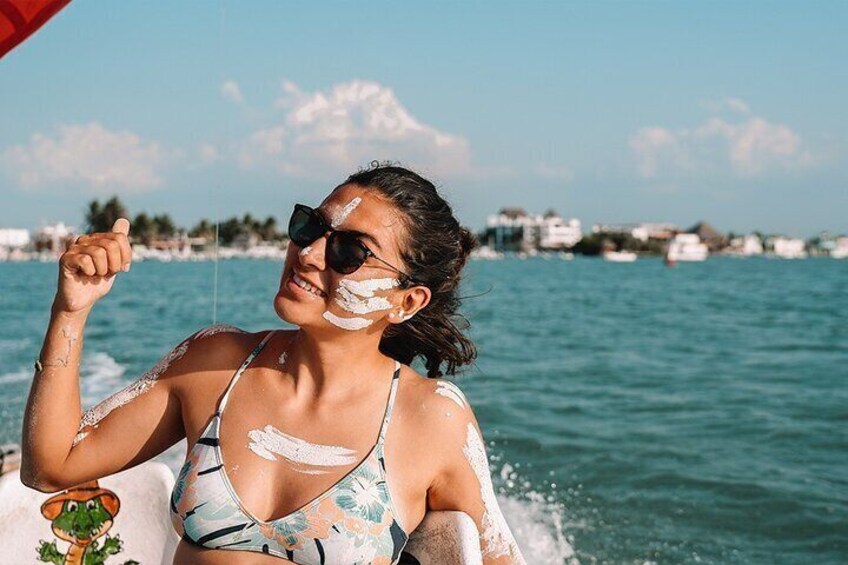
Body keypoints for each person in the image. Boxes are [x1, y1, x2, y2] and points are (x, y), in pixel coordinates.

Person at [20, 163, 526, 564]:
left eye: (350, 251)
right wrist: (71, 310)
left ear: (406, 301)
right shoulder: (215, 365)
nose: (308, 254)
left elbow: (496, 557)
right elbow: (51, 466)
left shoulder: (433, 419)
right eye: (309, 227)